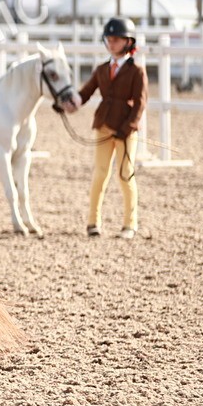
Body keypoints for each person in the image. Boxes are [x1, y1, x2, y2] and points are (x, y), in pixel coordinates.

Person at [76, 17, 146, 240]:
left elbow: (140, 103)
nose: (112, 43)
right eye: (110, 39)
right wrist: (69, 103)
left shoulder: (137, 71)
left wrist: (128, 127)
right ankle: (93, 221)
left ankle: (129, 223)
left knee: (125, 174)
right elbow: (86, 92)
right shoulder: (102, 69)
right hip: (104, 126)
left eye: (116, 40)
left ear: (128, 42)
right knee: (100, 174)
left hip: (125, 130)